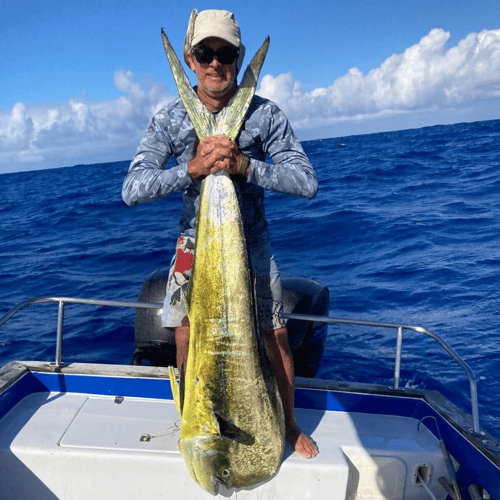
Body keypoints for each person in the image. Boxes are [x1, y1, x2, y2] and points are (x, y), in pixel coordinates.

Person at [122, 9, 319, 459]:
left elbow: (306, 182)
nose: (215, 63)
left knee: (274, 336)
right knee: (187, 335)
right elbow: (132, 189)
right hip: (192, 246)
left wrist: (244, 165)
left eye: (225, 53)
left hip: (253, 247)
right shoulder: (171, 119)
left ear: (239, 56)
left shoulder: (265, 115)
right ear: (190, 59)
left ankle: (287, 424)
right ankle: (196, 417)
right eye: (205, 53)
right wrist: (191, 168)